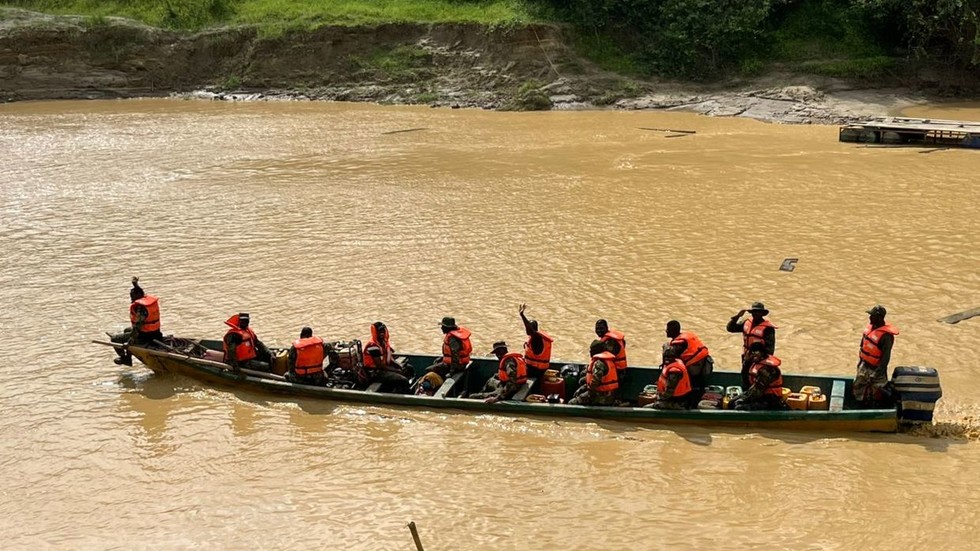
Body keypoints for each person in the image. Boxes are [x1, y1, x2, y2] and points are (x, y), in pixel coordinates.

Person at [853, 305, 899, 407]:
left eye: (872, 316)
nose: (869, 318)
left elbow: (886, 357)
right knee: (858, 386)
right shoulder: (869, 329)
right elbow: (862, 345)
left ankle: (885, 407)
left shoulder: (886, 336)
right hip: (864, 365)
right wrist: (860, 362)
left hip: (877, 368)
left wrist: (878, 371)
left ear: (879, 317)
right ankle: (859, 406)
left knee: (877, 391)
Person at [111, 277, 164, 366]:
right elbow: (139, 291)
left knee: (115, 339)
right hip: (156, 333)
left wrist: (129, 343)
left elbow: (137, 326)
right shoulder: (147, 301)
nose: (131, 299)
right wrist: (135, 284)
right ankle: (128, 355)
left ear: (136, 297)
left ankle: (125, 359)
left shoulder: (140, 308)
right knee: (127, 330)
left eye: (132, 296)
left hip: (145, 337)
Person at [726, 302, 777, 389]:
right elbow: (730, 328)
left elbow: (770, 349)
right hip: (747, 358)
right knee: (745, 379)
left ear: (762, 314)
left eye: (758, 312)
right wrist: (737, 316)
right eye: (754, 312)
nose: (755, 314)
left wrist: (762, 361)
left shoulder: (768, 328)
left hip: (760, 360)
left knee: (757, 382)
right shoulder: (746, 322)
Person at [664, 320, 714, 398]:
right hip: (703, 364)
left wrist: (666, 346)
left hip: (694, 368)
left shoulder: (679, 343)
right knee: (699, 386)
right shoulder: (687, 336)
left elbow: (670, 357)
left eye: (667, 329)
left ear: (672, 331)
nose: (666, 331)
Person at [731, 342, 786, 411]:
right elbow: (746, 381)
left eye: (756, 352)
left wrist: (744, 399)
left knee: (739, 407)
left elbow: (758, 390)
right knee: (731, 403)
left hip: (770, 400)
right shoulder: (754, 363)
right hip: (759, 397)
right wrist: (746, 363)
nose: (753, 354)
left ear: (762, 353)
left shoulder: (768, 369)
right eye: (752, 352)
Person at [362, 321, 411, 393]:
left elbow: (389, 359)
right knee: (403, 380)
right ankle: (401, 397)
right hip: (375, 373)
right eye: (379, 331)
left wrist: (399, 366)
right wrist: (396, 371)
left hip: (384, 369)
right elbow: (380, 366)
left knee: (409, 368)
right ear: (375, 333)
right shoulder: (373, 346)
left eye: (383, 330)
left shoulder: (384, 342)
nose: (382, 333)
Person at [569, 341, 618, 406]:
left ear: (596, 351)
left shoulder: (599, 363)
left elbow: (595, 382)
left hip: (601, 397)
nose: (590, 352)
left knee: (571, 403)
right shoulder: (608, 360)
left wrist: (587, 393)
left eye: (591, 350)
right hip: (609, 395)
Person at [520, 303, 554, 376]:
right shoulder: (534, 338)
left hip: (536, 370)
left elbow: (530, 330)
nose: (527, 328)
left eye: (528, 327)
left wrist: (522, 315)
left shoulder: (537, 338)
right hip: (535, 368)